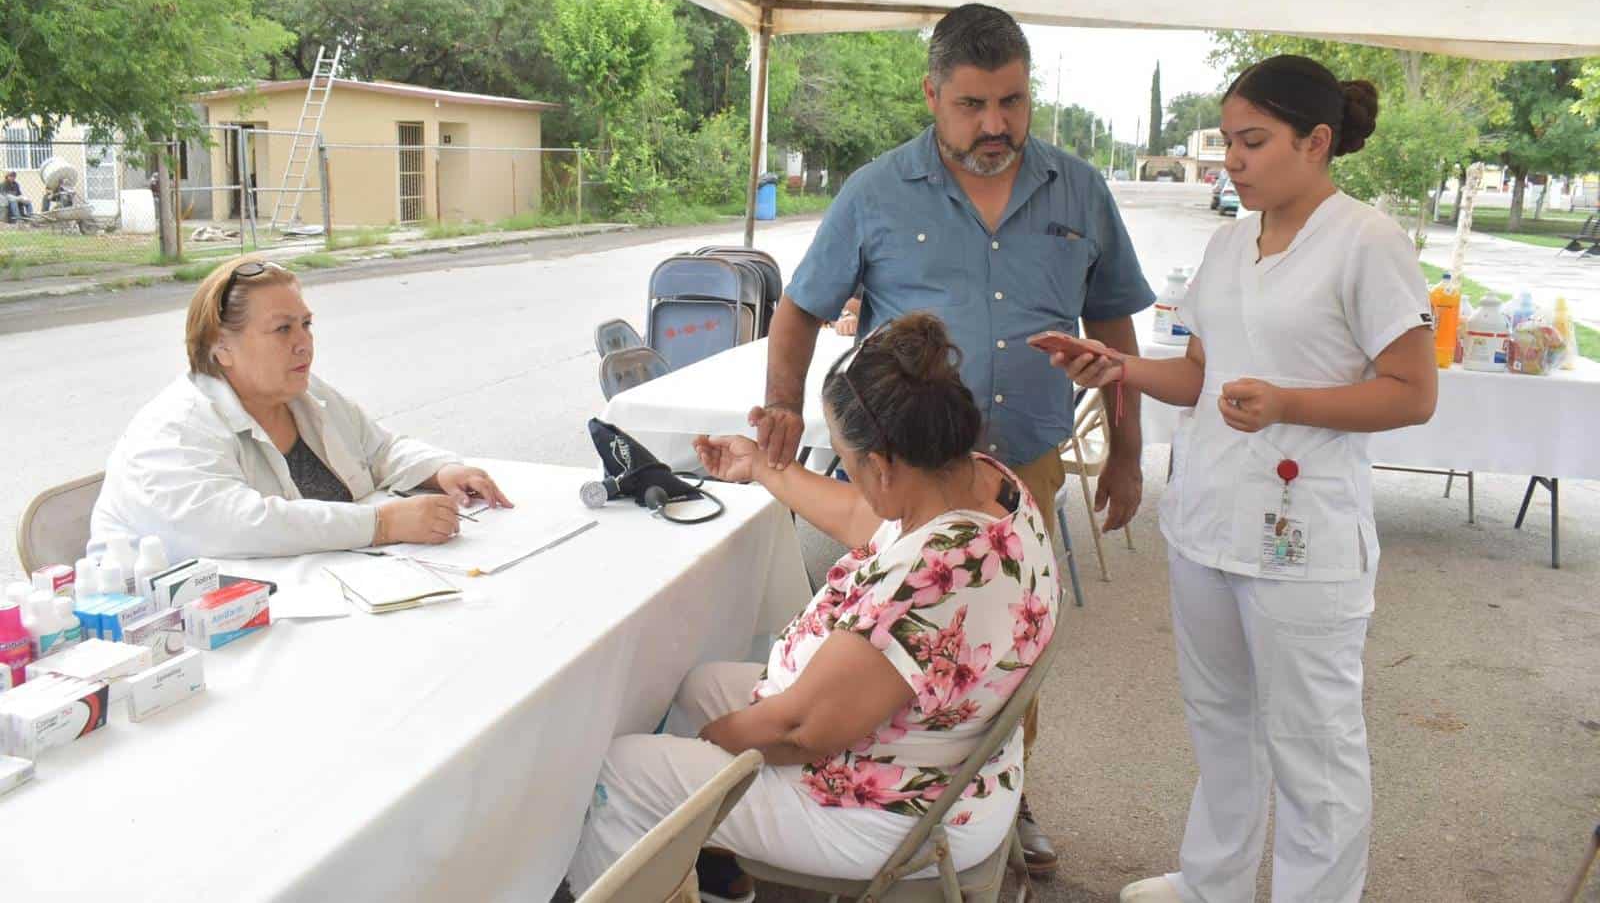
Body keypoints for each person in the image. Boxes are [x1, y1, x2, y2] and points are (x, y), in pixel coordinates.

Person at [748, 2, 1155, 870]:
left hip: (1025, 468)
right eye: (972, 104)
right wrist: (784, 404)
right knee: (881, 642)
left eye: (1011, 100)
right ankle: (862, 798)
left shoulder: (1080, 188)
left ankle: (998, 799)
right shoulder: (876, 191)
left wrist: (1127, 449)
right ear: (932, 94)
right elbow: (800, 309)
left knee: (1001, 650)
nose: (995, 124)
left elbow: (1116, 327)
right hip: (907, 475)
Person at [1053, 55, 1437, 903]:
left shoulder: (1367, 242)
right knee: (1222, 723)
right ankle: (1213, 884)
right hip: (1206, 522)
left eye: (1253, 141)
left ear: (1317, 141)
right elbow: (1201, 373)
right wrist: (1116, 367)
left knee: (1315, 746)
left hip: (1304, 537)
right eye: (1228, 141)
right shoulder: (1228, 243)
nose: (1232, 158)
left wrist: (1290, 402)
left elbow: (1414, 394)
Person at [567, 314, 1061, 899]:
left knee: (622, 771)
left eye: (850, 462)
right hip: (939, 753)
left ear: (880, 465)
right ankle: (713, 873)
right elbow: (864, 517)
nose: (852, 477)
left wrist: (704, 755)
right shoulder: (980, 483)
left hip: (892, 808)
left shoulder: (929, 581)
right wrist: (762, 467)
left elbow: (800, 732)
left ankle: (657, 849)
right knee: (695, 685)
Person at [91, 255, 512, 560]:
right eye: (282, 329)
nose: (303, 342)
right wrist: (382, 524)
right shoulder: (176, 427)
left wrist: (440, 471)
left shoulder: (303, 394)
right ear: (220, 345)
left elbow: (379, 450)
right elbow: (237, 525)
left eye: (306, 324)